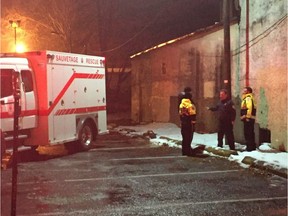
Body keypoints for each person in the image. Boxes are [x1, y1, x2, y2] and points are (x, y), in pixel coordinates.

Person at [178, 87, 196, 156]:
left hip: (183, 122)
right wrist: (193, 122)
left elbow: (180, 113)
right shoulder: (190, 105)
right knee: (189, 137)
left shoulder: (181, 104)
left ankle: (184, 151)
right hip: (189, 123)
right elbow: (193, 114)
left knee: (184, 137)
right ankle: (188, 151)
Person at [240, 86, 256, 151]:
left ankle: (249, 147)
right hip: (250, 118)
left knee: (248, 133)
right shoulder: (248, 98)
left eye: (245, 90)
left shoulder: (248, 98)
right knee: (250, 132)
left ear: (248, 91)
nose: (243, 91)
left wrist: (247, 117)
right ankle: (252, 146)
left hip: (248, 119)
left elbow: (249, 108)